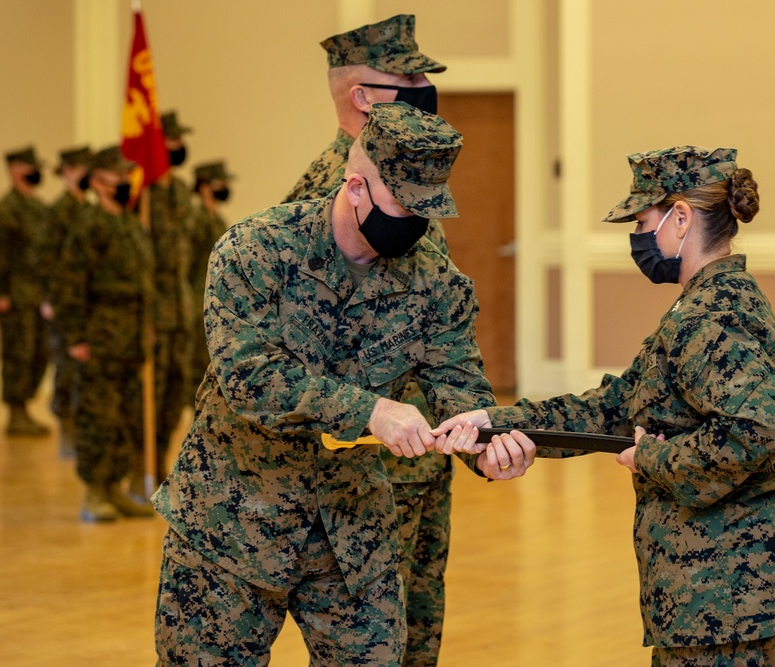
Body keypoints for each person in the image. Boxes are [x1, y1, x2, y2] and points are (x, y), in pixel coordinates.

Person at [152, 102, 529, 666]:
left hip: (350, 534)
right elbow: (249, 377)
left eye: (428, 210)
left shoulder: (435, 281)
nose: (415, 225)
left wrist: (487, 445)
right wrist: (370, 411)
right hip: (231, 522)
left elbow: (459, 385)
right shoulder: (255, 250)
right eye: (403, 206)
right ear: (356, 187)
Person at [437, 146, 775, 666]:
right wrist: (494, 422)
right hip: (721, 585)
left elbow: (757, 432)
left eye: (643, 220)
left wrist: (651, 459)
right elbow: (618, 406)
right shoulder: (705, 302)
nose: (638, 237)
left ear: (680, 217)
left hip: (727, 585)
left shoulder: (710, 316)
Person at [282, 15, 455, 666]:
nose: (423, 89)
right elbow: (307, 353)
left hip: (419, 453)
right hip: (364, 469)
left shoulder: (408, 175)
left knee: (416, 636)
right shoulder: (332, 189)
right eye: (408, 78)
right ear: (363, 97)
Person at [54, 146, 155, 522]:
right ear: (97, 182)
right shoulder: (88, 226)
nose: (127, 181)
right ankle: (94, 493)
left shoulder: (130, 224)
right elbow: (70, 287)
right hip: (99, 337)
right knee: (98, 416)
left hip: (130, 339)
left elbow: (144, 284)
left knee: (127, 416)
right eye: (118, 175)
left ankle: (115, 487)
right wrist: (76, 338)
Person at [0, 146, 52, 436]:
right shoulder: (4, 210)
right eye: (29, 167)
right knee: (18, 355)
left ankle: (26, 404)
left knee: (39, 353)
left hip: (38, 296)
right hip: (15, 296)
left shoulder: (38, 208)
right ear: (14, 170)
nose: (36, 172)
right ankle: (16, 411)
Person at [139, 109, 195, 487]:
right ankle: (142, 465)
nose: (177, 147)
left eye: (179, 141)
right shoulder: (141, 194)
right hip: (153, 312)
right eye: (170, 142)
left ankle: (163, 457)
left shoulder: (180, 192)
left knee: (176, 392)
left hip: (181, 309)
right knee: (149, 396)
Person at [42, 145, 93, 457]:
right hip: (63, 301)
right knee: (65, 367)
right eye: (81, 169)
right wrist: (48, 298)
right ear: (68, 172)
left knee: (81, 371)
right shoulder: (58, 212)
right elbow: (47, 260)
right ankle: (66, 429)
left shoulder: (86, 208)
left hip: (84, 300)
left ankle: (81, 428)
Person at [185, 160, 232, 406]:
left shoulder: (216, 218)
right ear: (204, 187)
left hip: (212, 301)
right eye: (218, 183)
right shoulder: (195, 219)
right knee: (195, 368)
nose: (223, 187)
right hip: (195, 301)